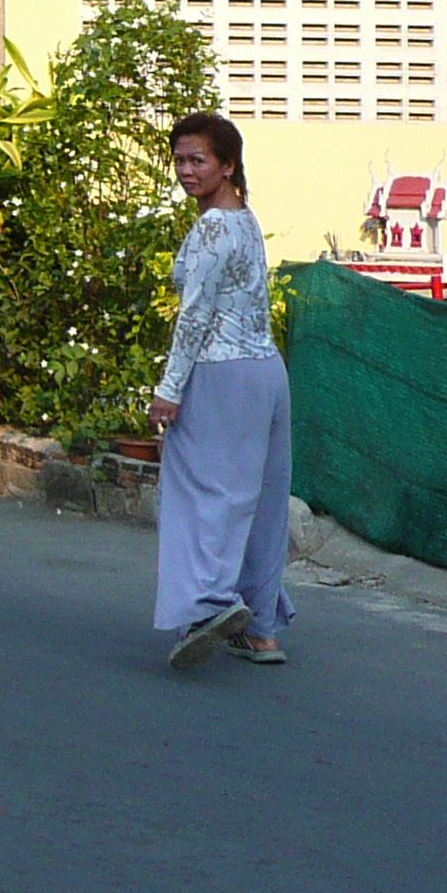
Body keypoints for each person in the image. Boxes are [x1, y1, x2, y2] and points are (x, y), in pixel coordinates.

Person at [152, 110, 295, 671]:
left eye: (199, 160)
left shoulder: (212, 226)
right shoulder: (244, 218)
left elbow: (195, 314)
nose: (187, 171)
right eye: (180, 160)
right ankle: (260, 630)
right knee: (261, 501)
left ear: (228, 164)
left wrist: (169, 388)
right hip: (266, 372)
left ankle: (212, 602)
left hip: (219, 371)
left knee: (198, 491)